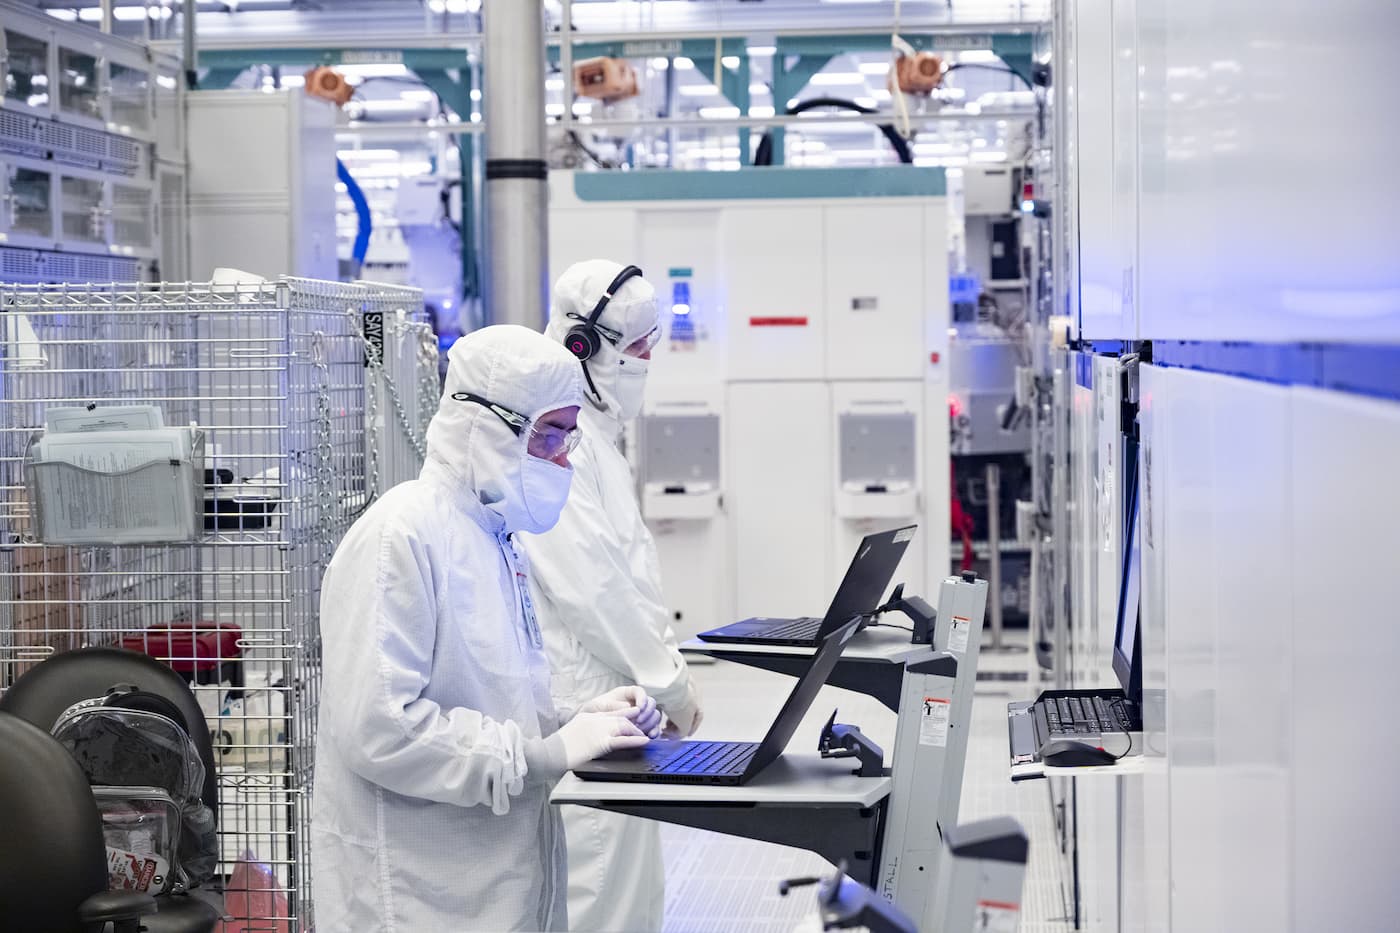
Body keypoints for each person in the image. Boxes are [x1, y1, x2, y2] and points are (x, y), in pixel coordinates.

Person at [311, 324, 665, 932]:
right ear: (488, 424)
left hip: (492, 884)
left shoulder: (496, 535)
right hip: (419, 897)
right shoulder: (401, 535)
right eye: (549, 436)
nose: (562, 459)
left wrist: (575, 719)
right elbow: (381, 729)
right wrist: (541, 755)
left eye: (569, 438)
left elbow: (492, 695)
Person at [521, 260, 704, 932]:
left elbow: (624, 576)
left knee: (631, 895)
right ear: (588, 346)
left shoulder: (595, 437)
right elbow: (595, 590)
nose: (647, 363)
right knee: (600, 896)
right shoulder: (560, 441)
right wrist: (672, 684)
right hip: (587, 703)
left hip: (622, 703)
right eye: (638, 350)